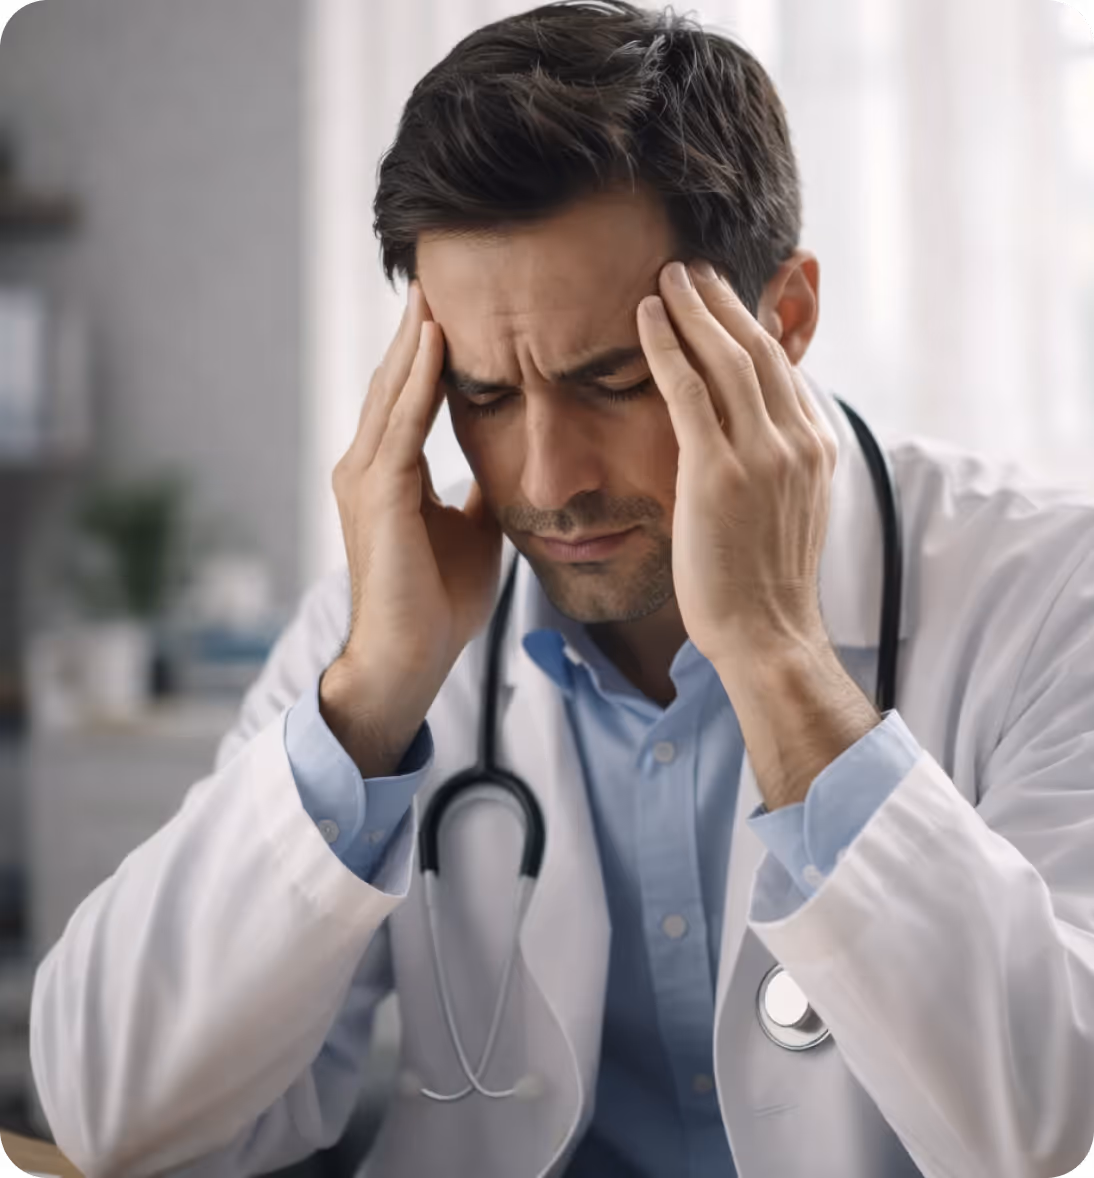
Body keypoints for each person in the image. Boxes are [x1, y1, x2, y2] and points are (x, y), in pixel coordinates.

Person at [28, 2, 1094, 1176]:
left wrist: (779, 662)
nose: (548, 484)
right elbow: (105, 1107)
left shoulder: (1052, 596)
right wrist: (369, 700)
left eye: (614, 381)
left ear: (782, 319)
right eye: (483, 395)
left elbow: (1051, 1128)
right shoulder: (381, 629)